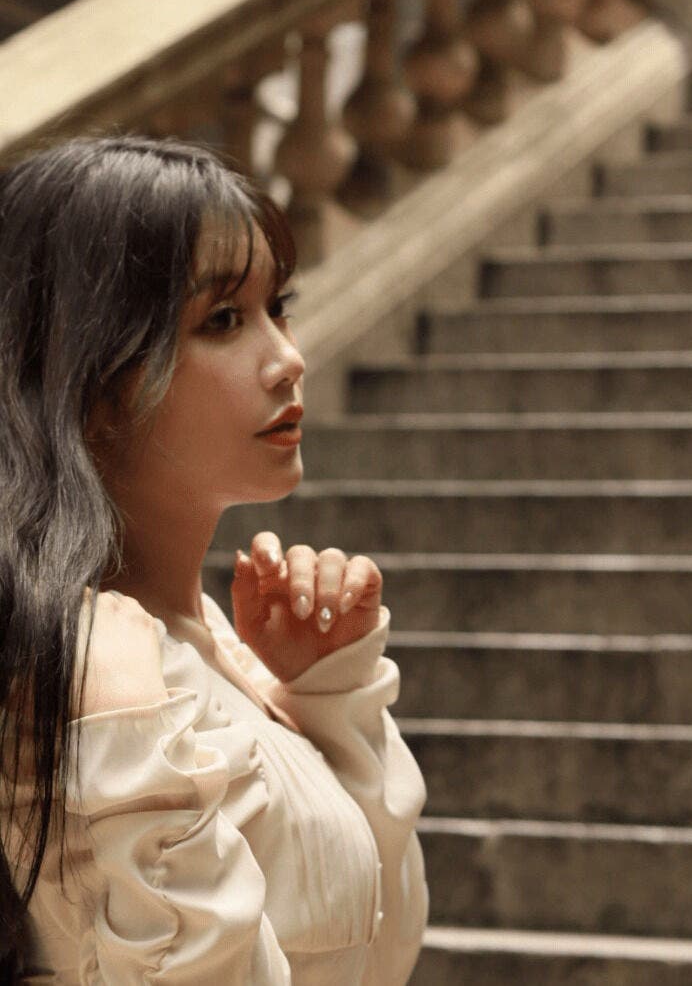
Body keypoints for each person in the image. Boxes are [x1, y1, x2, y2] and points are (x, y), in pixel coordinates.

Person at [0, 135, 428, 983]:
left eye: (280, 307)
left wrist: (325, 699)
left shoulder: (208, 645)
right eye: (224, 321)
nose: (289, 359)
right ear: (85, 376)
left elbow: (378, 951)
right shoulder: (77, 673)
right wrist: (125, 750)